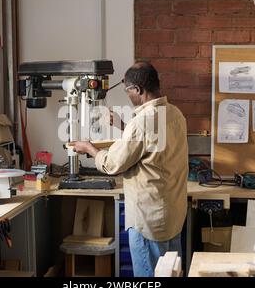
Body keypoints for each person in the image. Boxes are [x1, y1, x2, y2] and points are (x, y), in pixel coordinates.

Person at [72, 61, 188, 277]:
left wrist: (89, 148)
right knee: (170, 273)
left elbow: (112, 164)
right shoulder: (175, 114)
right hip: (173, 216)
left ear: (138, 90)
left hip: (149, 221)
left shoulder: (142, 123)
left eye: (128, 91)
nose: (127, 95)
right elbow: (153, 145)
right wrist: (124, 127)